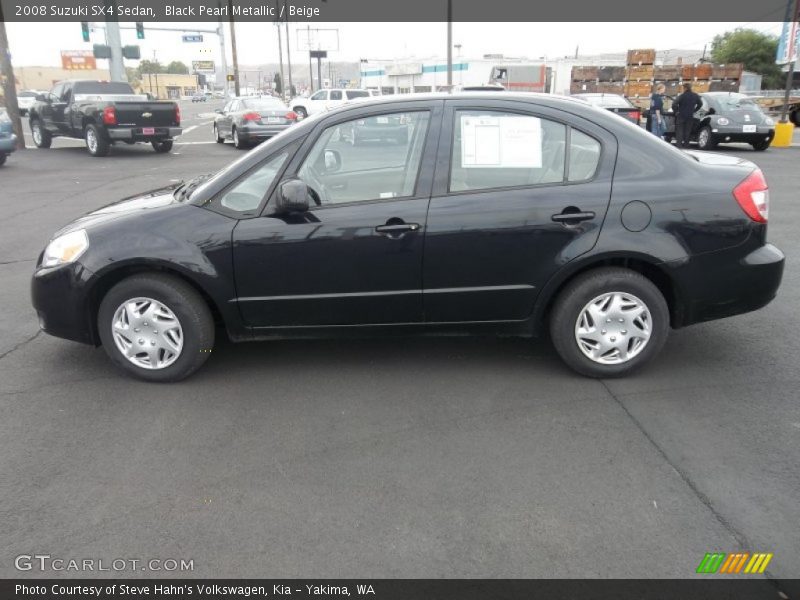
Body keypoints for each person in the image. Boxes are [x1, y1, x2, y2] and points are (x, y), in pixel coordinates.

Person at [672, 83, 702, 148]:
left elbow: (674, 104)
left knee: (679, 131)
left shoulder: (682, 96)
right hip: (690, 116)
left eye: (683, 88)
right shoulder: (695, 96)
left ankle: (679, 145)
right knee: (687, 131)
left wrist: (676, 112)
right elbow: (700, 104)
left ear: (685, 88)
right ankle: (686, 145)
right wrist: (694, 110)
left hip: (681, 115)